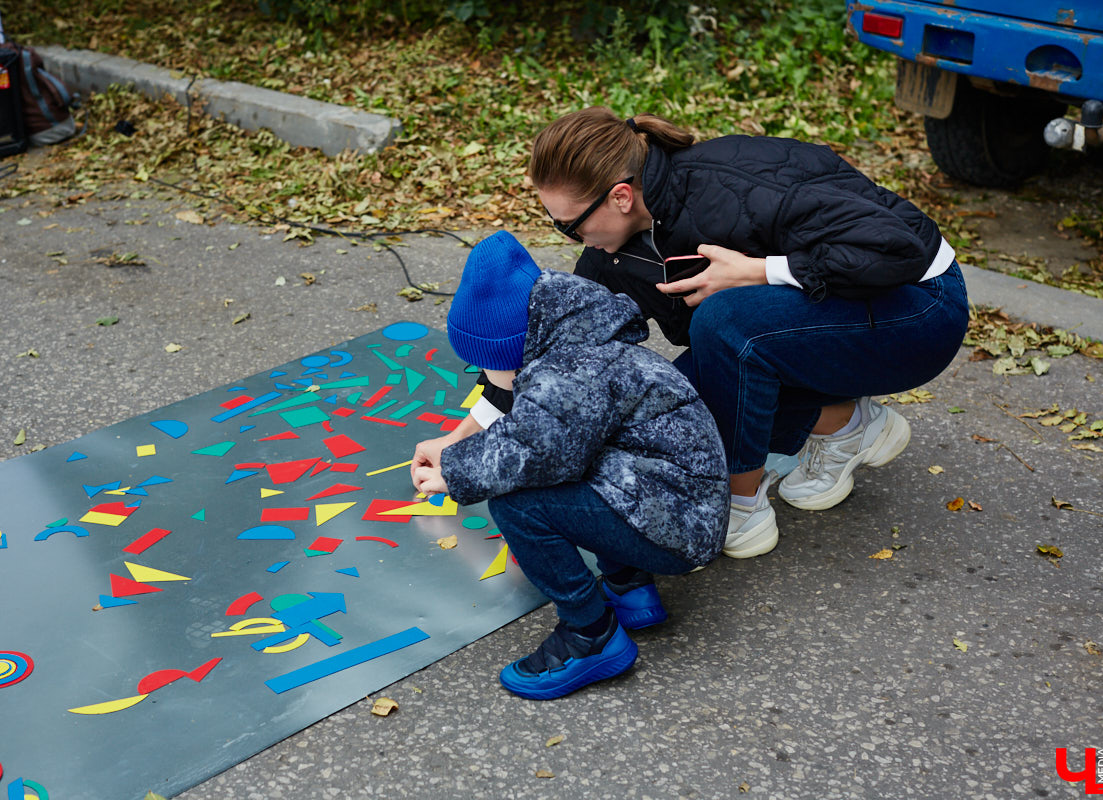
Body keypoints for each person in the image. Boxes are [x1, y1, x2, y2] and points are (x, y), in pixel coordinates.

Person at [524, 106, 969, 559]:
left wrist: (761, 271)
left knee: (724, 322)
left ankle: (739, 506)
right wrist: (474, 437)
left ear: (620, 196)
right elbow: (566, 352)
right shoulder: (611, 252)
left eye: (570, 225)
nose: (569, 238)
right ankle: (845, 424)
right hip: (838, 309)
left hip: (920, 307)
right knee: (671, 411)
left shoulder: (731, 188)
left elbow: (897, 251)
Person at [409, 230, 729, 701]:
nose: (487, 378)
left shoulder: (568, 372)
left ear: (510, 350)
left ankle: (590, 635)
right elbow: (543, 433)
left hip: (678, 525)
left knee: (519, 505)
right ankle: (630, 588)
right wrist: (457, 442)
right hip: (674, 502)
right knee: (584, 465)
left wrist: (453, 471)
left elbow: (532, 452)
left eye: (484, 365)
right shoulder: (576, 335)